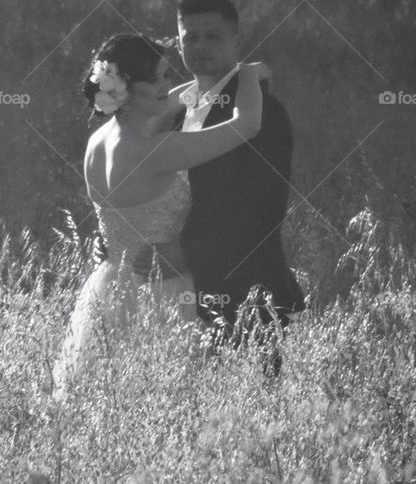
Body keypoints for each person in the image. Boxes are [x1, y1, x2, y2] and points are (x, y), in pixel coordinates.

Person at [52, 32, 269, 401]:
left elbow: (176, 101)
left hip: (111, 288)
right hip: (162, 292)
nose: (167, 87)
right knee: (174, 398)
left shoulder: (97, 143)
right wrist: (246, 76)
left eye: (168, 76)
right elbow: (247, 124)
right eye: (157, 79)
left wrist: (221, 78)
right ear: (127, 90)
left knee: (114, 398)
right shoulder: (155, 151)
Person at [173, 0, 305, 372]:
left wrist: (188, 257)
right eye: (190, 37)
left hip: (248, 293)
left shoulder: (264, 110)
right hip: (179, 292)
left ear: (236, 40)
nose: (200, 46)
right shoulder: (177, 111)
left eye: (212, 36)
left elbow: (265, 209)